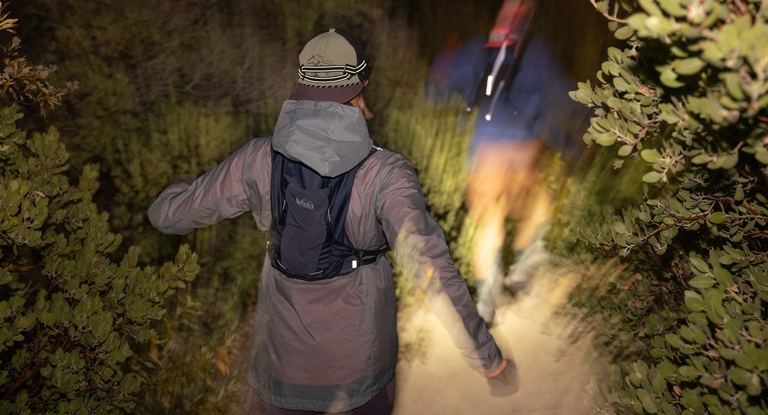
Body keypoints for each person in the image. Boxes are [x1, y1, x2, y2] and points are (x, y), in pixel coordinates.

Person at [148, 27, 519, 415]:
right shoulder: (386, 174)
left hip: (278, 376)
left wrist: (183, 187)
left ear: (302, 85)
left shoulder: (258, 158)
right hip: (359, 384)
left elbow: (167, 216)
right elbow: (432, 268)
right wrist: (489, 359)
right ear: (361, 87)